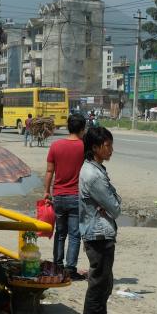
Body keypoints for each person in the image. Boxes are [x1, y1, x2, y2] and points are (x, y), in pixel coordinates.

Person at [79, 126, 122, 314]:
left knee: (104, 283)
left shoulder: (96, 169)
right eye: (107, 145)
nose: (111, 149)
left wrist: (112, 203)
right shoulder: (93, 175)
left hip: (101, 232)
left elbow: (113, 203)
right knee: (98, 285)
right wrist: (111, 204)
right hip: (98, 234)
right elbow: (115, 207)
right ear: (95, 147)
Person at [44, 113, 88, 281]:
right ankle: (70, 269)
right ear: (82, 128)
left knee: (60, 233)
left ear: (68, 127)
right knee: (75, 234)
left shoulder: (56, 145)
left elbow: (49, 171)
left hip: (59, 196)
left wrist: (46, 192)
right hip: (76, 196)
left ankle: (57, 266)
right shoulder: (84, 147)